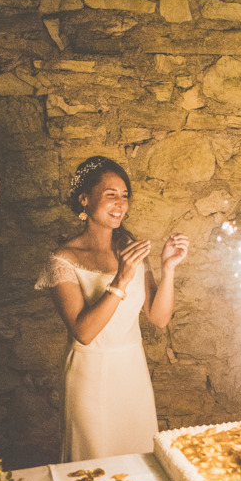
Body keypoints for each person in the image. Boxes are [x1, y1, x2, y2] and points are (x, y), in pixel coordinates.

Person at [35, 156, 189, 461]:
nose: (120, 203)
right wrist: (122, 278)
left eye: (125, 195)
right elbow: (84, 332)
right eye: (110, 195)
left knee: (138, 460)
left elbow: (158, 318)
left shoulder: (127, 247)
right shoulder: (62, 259)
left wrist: (168, 268)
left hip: (132, 371)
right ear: (85, 200)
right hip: (89, 377)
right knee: (94, 463)